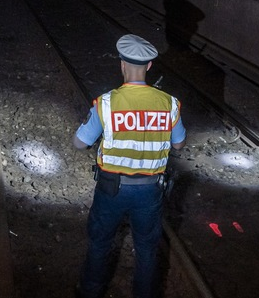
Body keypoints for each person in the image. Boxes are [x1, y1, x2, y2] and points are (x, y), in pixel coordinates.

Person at [74, 34, 186, 298]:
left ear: (122, 64)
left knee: (100, 244)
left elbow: (80, 143)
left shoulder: (106, 103)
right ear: (149, 67)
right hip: (150, 191)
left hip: (111, 189)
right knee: (147, 249)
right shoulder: (169, 104)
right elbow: (179, 144)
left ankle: (90, 292)